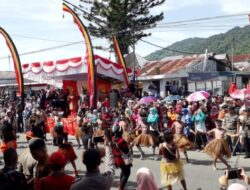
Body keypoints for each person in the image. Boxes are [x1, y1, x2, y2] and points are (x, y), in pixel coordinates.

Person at [111, 126, 132, 190]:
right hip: (122, 159)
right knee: (127, 173)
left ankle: (121, 184)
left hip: (116, 158)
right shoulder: (121, 141)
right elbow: (126, 151)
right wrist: (131, 145)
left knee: (123, 171)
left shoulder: (113, 138)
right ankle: (121, 188)